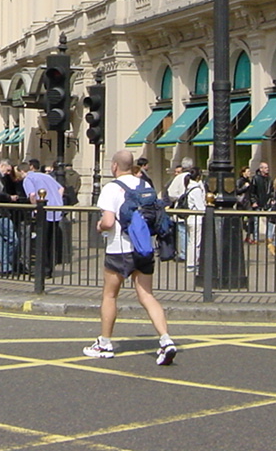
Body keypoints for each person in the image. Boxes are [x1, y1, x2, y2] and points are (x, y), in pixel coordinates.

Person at [82, 149, 178, 366]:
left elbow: (107, 222)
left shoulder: (111, 188)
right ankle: (165, 339)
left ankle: (105, 343)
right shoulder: (145, 185)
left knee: (110, 296)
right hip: (143, 247)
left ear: (115, 166)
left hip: (119, 248)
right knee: (147, 295)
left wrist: (99, 227)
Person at [20, 158, 64, 278]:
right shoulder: (46, 176)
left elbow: (32, 195)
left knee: (41, 242)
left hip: (43, 212)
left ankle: (42, 271)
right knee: (50, 242)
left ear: (21, 171)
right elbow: (61, 188)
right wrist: (57, 201)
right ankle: (49, 269)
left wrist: (35, 207)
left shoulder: (28, 179)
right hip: (56, 210)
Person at [166, 159, 196, 259]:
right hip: (194, 208)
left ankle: (184, 254)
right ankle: (193, 254)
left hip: (181, 208)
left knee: (183, 231)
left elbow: (171, 193)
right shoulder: (195, 177)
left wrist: (179, 197)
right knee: (192, 233)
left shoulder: (179, 178)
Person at [249, 161, 273, 242]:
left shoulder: (269, 179)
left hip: (267, 202)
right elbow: (252, 192)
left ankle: (269, 237)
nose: (267, 169)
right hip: (258, 202)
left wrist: (272, 199)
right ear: (261, 169)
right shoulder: (256, 178)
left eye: (267, 168)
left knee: (270, 220)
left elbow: (271, 191)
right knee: (256, 221)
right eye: (265, 168)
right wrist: (253, 201)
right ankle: (255, 238)